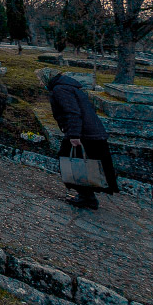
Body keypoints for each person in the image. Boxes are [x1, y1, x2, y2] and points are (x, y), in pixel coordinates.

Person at [47, 71, 119, 209]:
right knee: (81, 164)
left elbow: (72, 111)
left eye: (40, 80)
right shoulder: (70, 87)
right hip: (91, 132)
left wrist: (74, 135)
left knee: (71, 163)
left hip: (83, 133)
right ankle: (87, 196)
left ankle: (87, 198)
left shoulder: (60, 89)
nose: (40, 83)